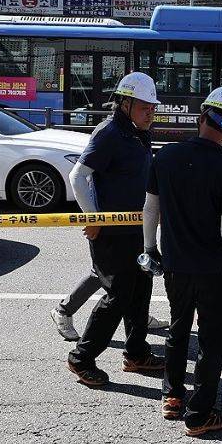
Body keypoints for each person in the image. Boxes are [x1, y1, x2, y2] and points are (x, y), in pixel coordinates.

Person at [143, 86, 222, 437]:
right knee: (212, 342)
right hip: (215, 272)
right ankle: (199, 415)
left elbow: (150, 208)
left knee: (178, 329)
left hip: (176, 266)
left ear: (201, 117)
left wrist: (149, 248)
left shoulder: (165, 157)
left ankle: (172, 395)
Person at [65, 72, 166, 387]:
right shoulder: (109, 132)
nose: (151, 112)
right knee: (118, 295)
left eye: (153, 107)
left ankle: (136, 353)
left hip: (138, 230)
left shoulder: (139, 133)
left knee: (141, 291)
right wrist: (93, 217)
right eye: (145, 107)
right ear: (126, 103)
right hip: (112, 234)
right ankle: (81, 358)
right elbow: (77, 176)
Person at [50, 276, 168, 342]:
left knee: (138, 269)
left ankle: (138, 316)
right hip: (110, 234)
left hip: (131, 233)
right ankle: (63, 310)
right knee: (102, 272)